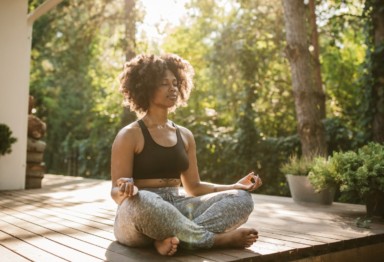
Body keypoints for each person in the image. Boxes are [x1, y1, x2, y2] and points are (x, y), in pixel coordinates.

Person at [111, 53, 262, 256]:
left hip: (177, 206)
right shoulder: (129, 135)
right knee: (145, 199)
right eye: (164, 83)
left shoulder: (185, 135)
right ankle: (213, 240)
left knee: (242, 198)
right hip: (138, 213)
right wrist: (124, 190)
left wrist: (234, 186)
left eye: (175, 83)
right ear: (145, 88)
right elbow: (115, 192)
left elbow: (194, 188)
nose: (172, 88)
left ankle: (171, 239)